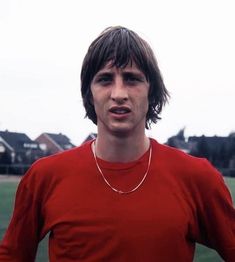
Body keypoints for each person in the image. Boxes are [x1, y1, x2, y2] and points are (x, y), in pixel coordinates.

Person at [0, 26, 234, 261]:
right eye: (105, 79)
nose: (119, 93)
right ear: (89, 93)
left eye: (132, 79)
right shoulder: (44, 176)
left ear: (151, 91)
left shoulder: (197, 177)